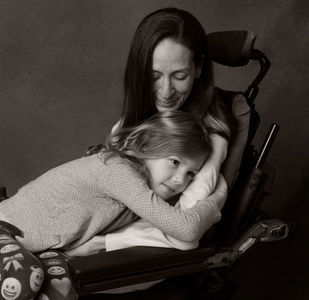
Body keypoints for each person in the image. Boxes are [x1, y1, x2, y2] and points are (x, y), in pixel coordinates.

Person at [0, 110, 224, 300]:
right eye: (175, 162)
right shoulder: (119, 172)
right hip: (2, 236)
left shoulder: (140, 188)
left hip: (45, 253)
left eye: (192, 173)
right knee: (25, 278)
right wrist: (214, 202)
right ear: (146, 147)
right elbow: (186, 230)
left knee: (63, 291)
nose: (180, 180)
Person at [67, 7, 236, 259]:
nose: (166, 92)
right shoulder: (135, 122)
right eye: (154, 76)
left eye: (179, 76)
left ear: (199, 67)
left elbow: (184, 226)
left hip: (139, 257)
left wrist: (101, 243)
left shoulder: (210, 138)